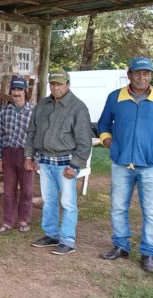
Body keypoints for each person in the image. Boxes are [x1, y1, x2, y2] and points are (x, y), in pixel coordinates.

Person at [97, 57, 153, 273]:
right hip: (121, 163)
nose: (142, 77)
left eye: (146, 73)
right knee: (118, 207)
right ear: (129, 75)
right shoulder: (115, 98)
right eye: (138, 73)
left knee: (152, 211)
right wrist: (109, 143)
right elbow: (103, 124)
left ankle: (148, 253)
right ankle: (120, 246)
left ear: (151, 76)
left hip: (152, 166)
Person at [26, 69, 92, 255]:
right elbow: (32, 131)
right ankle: (51, 234)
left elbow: (84, 141)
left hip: (66, 162)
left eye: (59, 84)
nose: (56, 88)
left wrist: (75, 164)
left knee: (68, 202)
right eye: (53, 84)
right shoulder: (42, 105)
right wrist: (29, 155)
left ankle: (68, 240)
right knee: (49, 200)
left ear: (68, 85)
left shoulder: (77, 107)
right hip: (45, 161)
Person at [0, 77, 35, 233]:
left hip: (26, 154)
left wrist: (34, 157)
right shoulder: (5, 111)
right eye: (14, 90)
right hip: (9, 152)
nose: (16, 93)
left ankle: (24, 219)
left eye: (19, 90)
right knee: (9, 189)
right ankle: (8, 220)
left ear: (25, 91)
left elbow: (37, 136)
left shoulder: (33, 111)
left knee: (27, 189)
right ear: (10, 92)